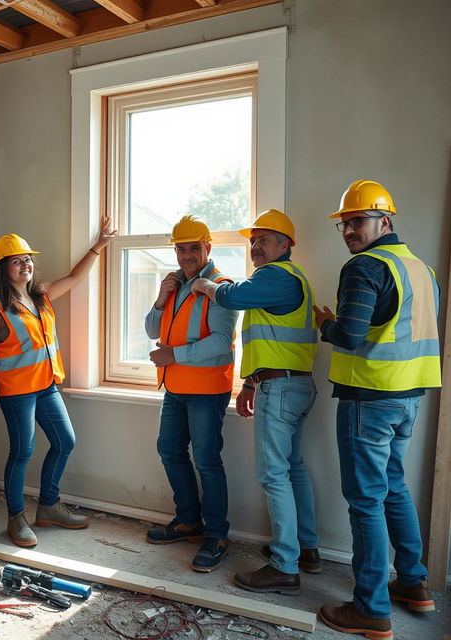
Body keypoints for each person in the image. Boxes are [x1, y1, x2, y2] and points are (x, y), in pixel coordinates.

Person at [315, 180, 441, 640]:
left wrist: (324, 323)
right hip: (407, 398)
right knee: (392, 489)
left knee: (365, 501)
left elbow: (348, 335)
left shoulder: (365, 266)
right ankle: (413, 584)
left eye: (358, 220)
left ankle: (370, 609)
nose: (349, 229)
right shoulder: (421, 269)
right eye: (345, 223)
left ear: (384, 221)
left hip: (368, 398)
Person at [193, 209, 321, 593]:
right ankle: (306, 549)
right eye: (253, 241)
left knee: (274, 474)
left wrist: (204, 286)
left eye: (263, 240)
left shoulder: (276, 275)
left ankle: (284, 565)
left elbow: (233, 295)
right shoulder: (291, 279)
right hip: (292, 383)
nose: (255, 247)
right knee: (293, 468)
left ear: (285, 245)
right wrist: (250, 380)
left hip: (281, 390)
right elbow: (273, 338)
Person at [0, 219, 116, 548]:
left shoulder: (40, 296)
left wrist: (99, 245)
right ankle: (15, 517)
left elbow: (75, 278)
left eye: (28, 259)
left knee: (64, 442)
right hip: (17, 392)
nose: (25, 265)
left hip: (46, 386)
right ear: (3, 269)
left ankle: (48, 507)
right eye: (16, 261)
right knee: (22, 452)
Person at [144, 215, 237, 573]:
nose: (186, 255)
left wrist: (174, 355)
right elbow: (153, 328)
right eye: (181, 249)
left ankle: (217, 535)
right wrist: (159, 298)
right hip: (176, 387)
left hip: (207, 390)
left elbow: (220, 341)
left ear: (207, 247)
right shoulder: (174, 286)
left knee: (208, 461)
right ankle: (187, 521)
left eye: (193, 248)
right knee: (169, 449)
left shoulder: (219, 285)